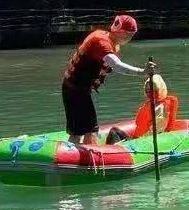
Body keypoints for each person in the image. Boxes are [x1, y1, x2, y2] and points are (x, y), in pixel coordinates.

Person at [61, 14, 146, 146]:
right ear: (122, 33)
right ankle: (88, 160)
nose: (131, 38)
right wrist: (143, 72)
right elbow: (117, 66)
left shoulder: (111, 42)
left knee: (78, 130)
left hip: (77, 88)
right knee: (90, 129)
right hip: (75, 89)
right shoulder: (101, 42)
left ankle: (75, 155)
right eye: (130, 35)